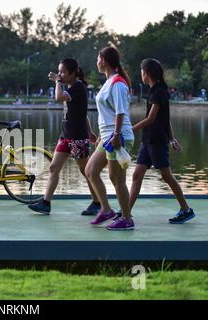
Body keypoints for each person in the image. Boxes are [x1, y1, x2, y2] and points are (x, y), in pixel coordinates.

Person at [28, 58, 99, 215]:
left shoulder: (78, 87)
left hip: (77, 138)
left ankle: (97, 202)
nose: (60, 74)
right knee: (53, 168)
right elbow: (81, 113)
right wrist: (91, 131)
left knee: (86, 171)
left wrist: (57, 82)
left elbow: (58, 98)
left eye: (63, 72)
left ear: (72, 74)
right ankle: (46, 203)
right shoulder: (72, 87)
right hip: (66, 136)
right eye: (59, 71)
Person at [129, 58, 195, 224]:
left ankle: (186, 210)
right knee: (137, 175)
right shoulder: (153, 90)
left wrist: (130, 130)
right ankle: (125, 211)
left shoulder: (159, 92)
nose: (141, 75)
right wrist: (172, 138)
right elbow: (165, 119)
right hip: (147, 141)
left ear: (147, 74)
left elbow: (152, 119)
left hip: (157, 141)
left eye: (142, 72)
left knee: (167, 176)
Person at [85, 46, 135, 231]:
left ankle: (127, 219)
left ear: (104, 60)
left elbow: (120, 112)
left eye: (98, 58)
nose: (96, 62)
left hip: (118, 138)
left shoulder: (118, 83)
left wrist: (116, 135)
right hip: (107, 137)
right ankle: (106, 210)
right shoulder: (108, 82)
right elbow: (107, 113)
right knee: (91, 170)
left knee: (117, 179)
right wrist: (101, 135)